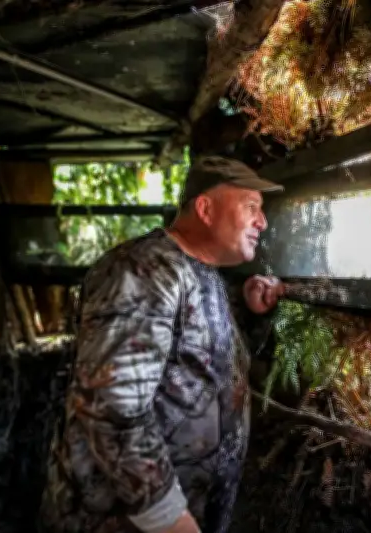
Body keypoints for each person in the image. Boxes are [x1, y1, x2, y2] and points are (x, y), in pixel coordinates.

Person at [40, 155, 286, 533]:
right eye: (251, 206)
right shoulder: (143, 270)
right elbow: (112, 408)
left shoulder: (200, 273)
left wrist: (251, 311)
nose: (262, 221)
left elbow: (201, 364)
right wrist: (167, 516)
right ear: (205, 208)